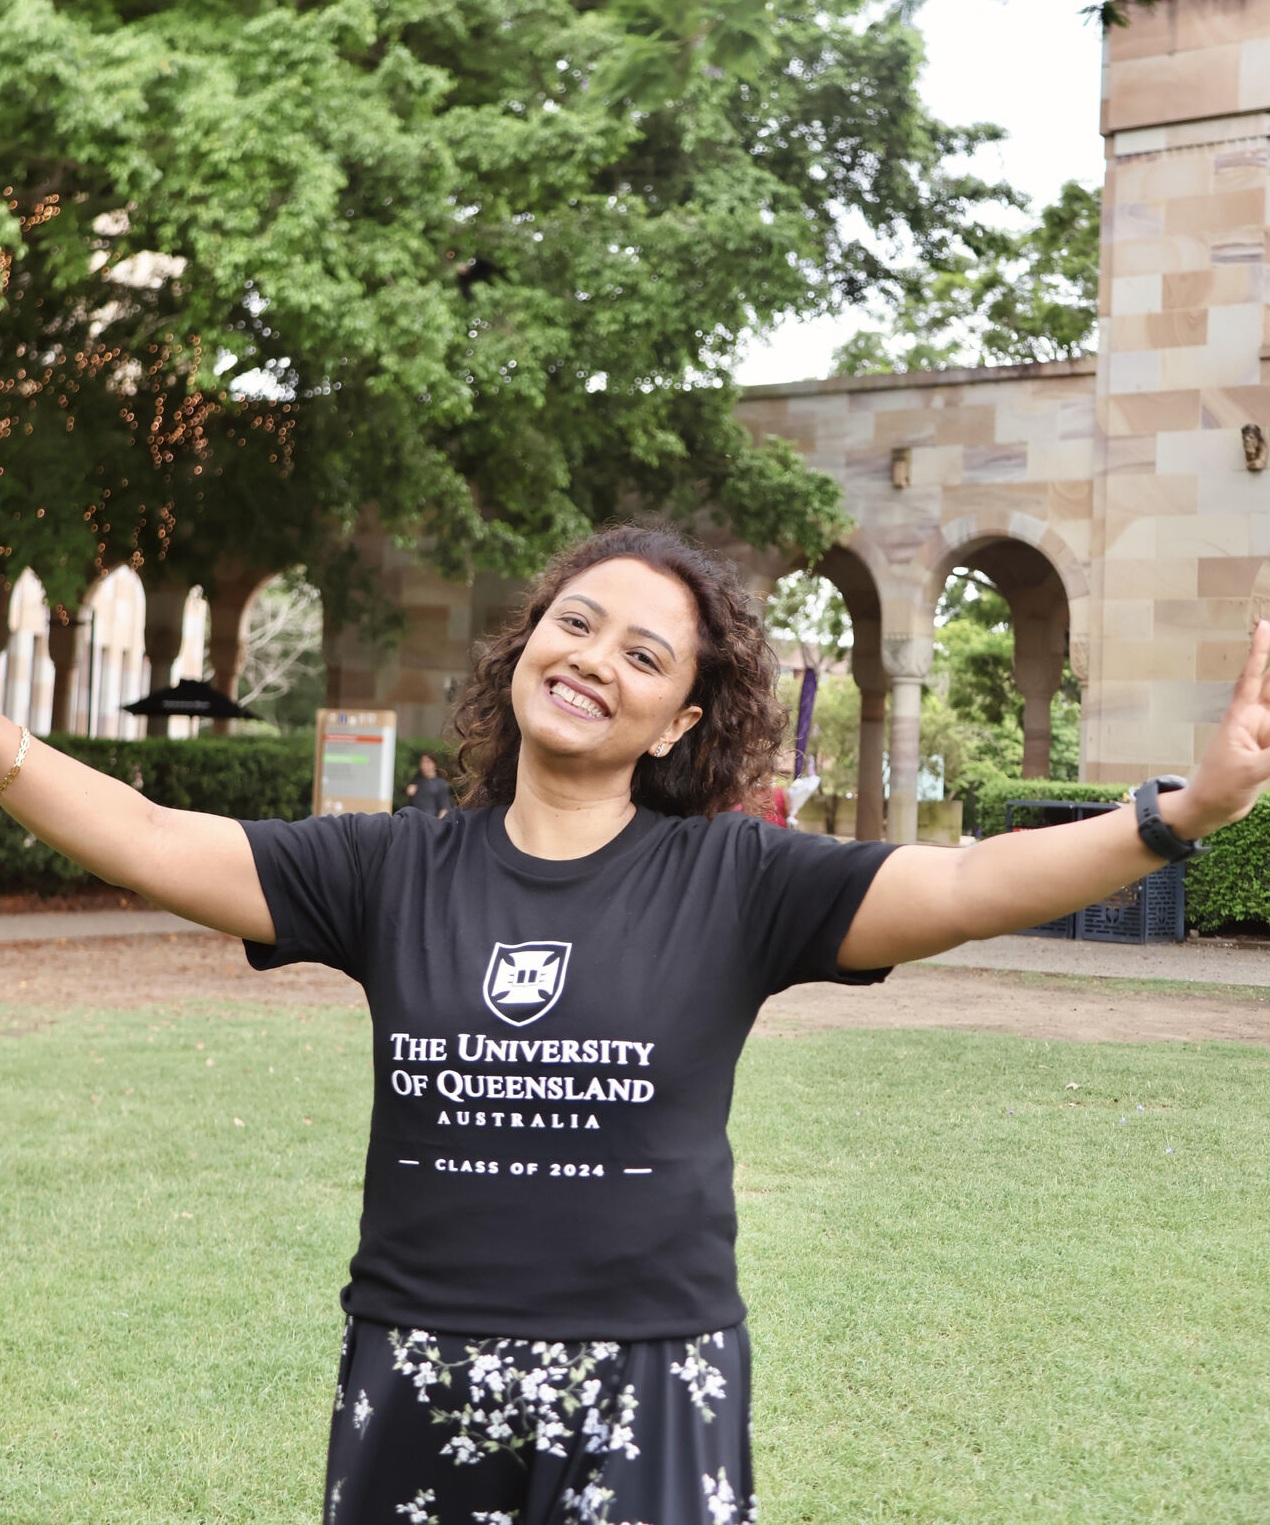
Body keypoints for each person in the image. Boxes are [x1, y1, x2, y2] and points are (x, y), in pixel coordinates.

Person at [2, 521, 1269, 1525]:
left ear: (678, 724)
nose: (595, 658)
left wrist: (1185, 810)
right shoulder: (389, 870)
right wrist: (9, 758)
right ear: (524, 650)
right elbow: (162, 839)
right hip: (420, 1367)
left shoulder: (738, 881)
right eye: (577, 623)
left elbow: (964, 886)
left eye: (645, 655)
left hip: (650, 1377)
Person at [403, 750, 454, 817]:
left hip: (431, 820)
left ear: (434, 764)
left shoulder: (441, 784)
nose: (424, 765)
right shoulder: (417, 780)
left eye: (428, 762)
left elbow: (444, 807)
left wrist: (438, 823)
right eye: (422, 762)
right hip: (415, 820)